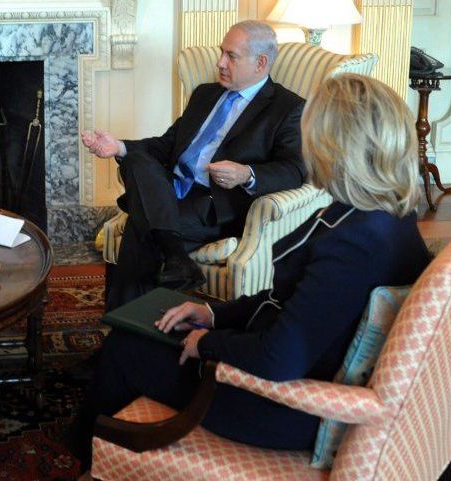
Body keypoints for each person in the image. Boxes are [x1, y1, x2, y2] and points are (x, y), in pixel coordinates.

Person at [68, 73, 431, 466]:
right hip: (297, 370)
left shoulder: (357, 243)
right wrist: (212, 313)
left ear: (332, 147)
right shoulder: (383, 217)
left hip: (287, 407)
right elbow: (296, 300)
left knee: (126, 348)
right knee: (153, 325)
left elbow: (280, 358)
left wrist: (207, 343)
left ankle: (87, 458)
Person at [82, 20, 306, 310]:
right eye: (221, 52)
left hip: (213, 205)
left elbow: (295, 169)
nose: (220, 62)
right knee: (135, 158)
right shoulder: (205, 94)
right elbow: (166, 145)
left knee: (141, 233)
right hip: (169, 189)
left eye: (231, 56)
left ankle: (119, 339)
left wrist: (246, 174)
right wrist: (120, 147)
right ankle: (176, 257)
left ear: (261, 63)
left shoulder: (287, 108)